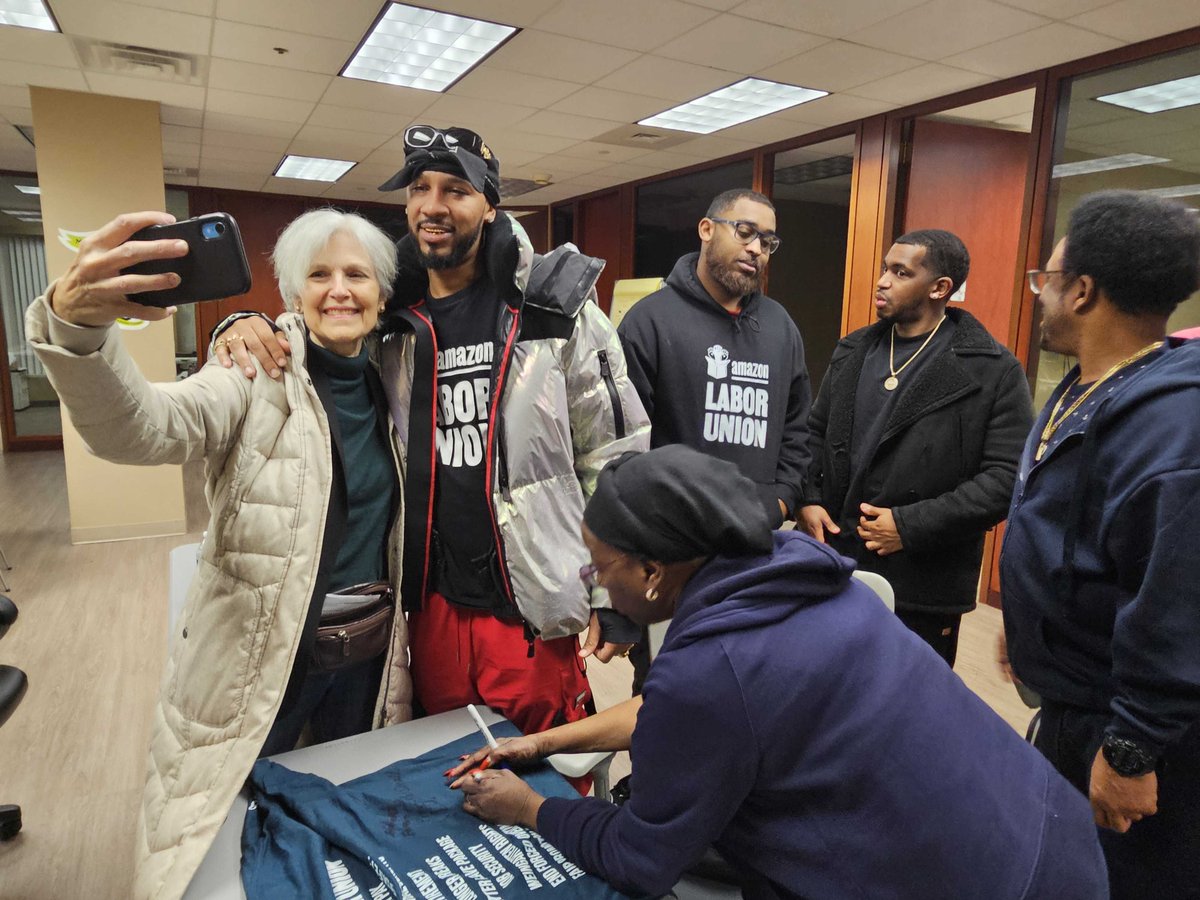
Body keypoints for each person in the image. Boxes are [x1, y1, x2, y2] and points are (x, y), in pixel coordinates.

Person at [446, 446, 1108, 899]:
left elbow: (640, 859)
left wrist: (530, 806)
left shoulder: (711, 668)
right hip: (1049, 838)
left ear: (652, 573)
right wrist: (547, 741)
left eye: (598, 569)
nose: (594, 585)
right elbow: (714, 713)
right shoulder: (795, 571)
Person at [212, 124, 649, 754]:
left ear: (490, 205)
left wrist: (618, 593)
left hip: (528, 605)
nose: (434, 205)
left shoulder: (554, 307)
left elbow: (617, 455)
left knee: (546, 771)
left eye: (456, 189)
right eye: (420, 187)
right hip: (429, 607)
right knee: (444, 765)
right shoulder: (392, 322)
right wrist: (239, 321)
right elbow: (307, 339)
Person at [26, 209, 412, 899]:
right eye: (318, 275)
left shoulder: (401, 378)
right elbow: (143, 430)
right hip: (261, 660)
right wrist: (79, 330)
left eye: (357, 274)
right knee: (230, 825)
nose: (339, 290)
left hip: (365, 653)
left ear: (384, 294)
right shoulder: (253, 370)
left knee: (334, 807)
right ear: (293, 294)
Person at [1000, 189, 1200, 899]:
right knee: (1058, 864)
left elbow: (1174, 606)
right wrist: (1033, 629)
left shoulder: (1176, 429)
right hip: (1072, 693)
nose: (1039, 296)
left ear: (1082, 291)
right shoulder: (1086, 386)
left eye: (1045, 280)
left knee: (1122, 881)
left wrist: (1131, 748)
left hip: (1132, 730)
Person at [800, 229, 1032, 666]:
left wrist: (910, 525)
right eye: (885, 268)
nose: (883, 281)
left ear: (940, 288)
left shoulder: (992, 370)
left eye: (900, 272)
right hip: (832, 563)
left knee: (903, 713)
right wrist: (808, 500)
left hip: (921, 583)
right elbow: (814, 433)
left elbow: (1004, 480)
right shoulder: (853, 350)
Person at [617, 188, 810, 691]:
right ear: (707, 230)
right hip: (674, 558)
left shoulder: (780, 326)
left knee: (750, 690)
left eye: (767, 242)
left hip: (753, 551)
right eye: (745, 232)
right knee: (668, 694)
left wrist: (784, 499)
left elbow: (796, 425)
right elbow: (621, 450)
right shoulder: (649, 321)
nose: (756, 249)